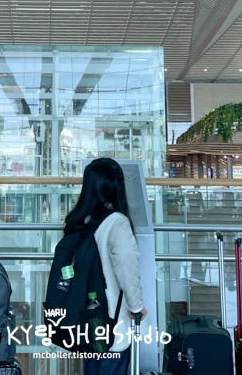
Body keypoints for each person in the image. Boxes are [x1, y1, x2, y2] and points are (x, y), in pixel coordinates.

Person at [64, 158, 146, 375]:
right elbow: (127, 267)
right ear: (116, 186)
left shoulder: (79, 220)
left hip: (85, 316)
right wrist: (136, 306)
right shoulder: (116, 222)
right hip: (111, 318)